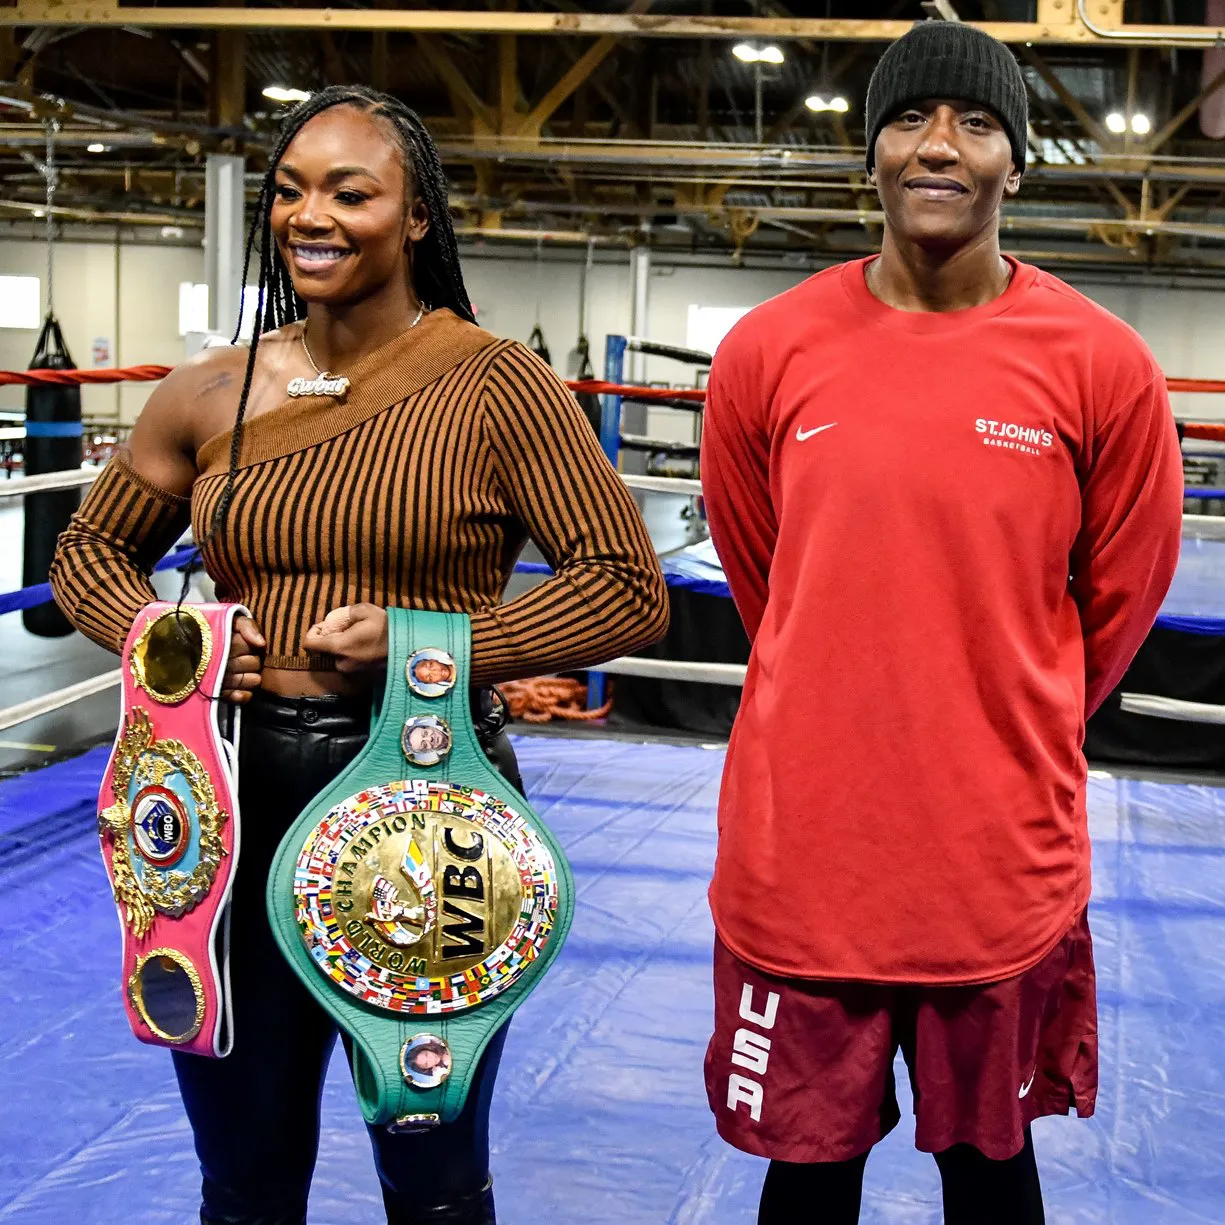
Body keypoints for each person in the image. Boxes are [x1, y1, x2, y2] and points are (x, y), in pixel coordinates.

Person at [51, 84, 668, 1225]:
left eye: (349, 191)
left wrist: (434, 647)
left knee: (429, 1171)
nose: (308, 215)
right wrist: (168, 638)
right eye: (288, 190)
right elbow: (90, 548)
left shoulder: (496, 385)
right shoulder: (212, 387)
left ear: (416, 215)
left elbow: (626, 591)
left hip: (428, 799)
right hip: (226, 799)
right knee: (241, 1171)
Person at [698, 22, 1183, 1225]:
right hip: (804, 857)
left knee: (990, 1175)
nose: (938, 148)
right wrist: (837, 691)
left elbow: (1119, 597)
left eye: (973, 124)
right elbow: (770, 589)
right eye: (911, 121)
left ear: (1016, 161)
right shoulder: (768, 352)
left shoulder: (1100, 365)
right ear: (869, 152)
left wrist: (1002, 719)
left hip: (991, 867)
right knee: (805, 1175)